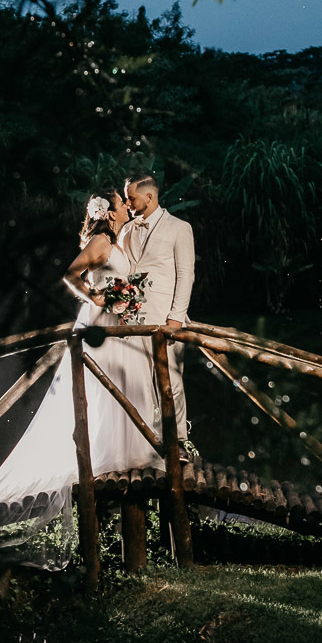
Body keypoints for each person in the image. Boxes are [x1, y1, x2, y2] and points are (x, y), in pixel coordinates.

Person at [0, 191, 164, 570]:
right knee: (103, 391)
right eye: (122, 203)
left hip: (117, 328)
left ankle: (126, 453)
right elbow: (70, 274)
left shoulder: (116, 240)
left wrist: (126, 297)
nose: (126, 206)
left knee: (119, 388)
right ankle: (107, 458)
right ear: (109, 212)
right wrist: (97, 298)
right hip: (101, 327)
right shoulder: (101, 241)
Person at [120, 174, 195, 448]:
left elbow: (186, 275)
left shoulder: (179, 228)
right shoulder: (126, 230)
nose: (127, 203)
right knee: (137, 383)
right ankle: (146, 444)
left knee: (171, 381)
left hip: (166, 318)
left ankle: (178, 443)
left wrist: (176, 317)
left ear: (149, 197)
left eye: (131, 198)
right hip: (132, 320)